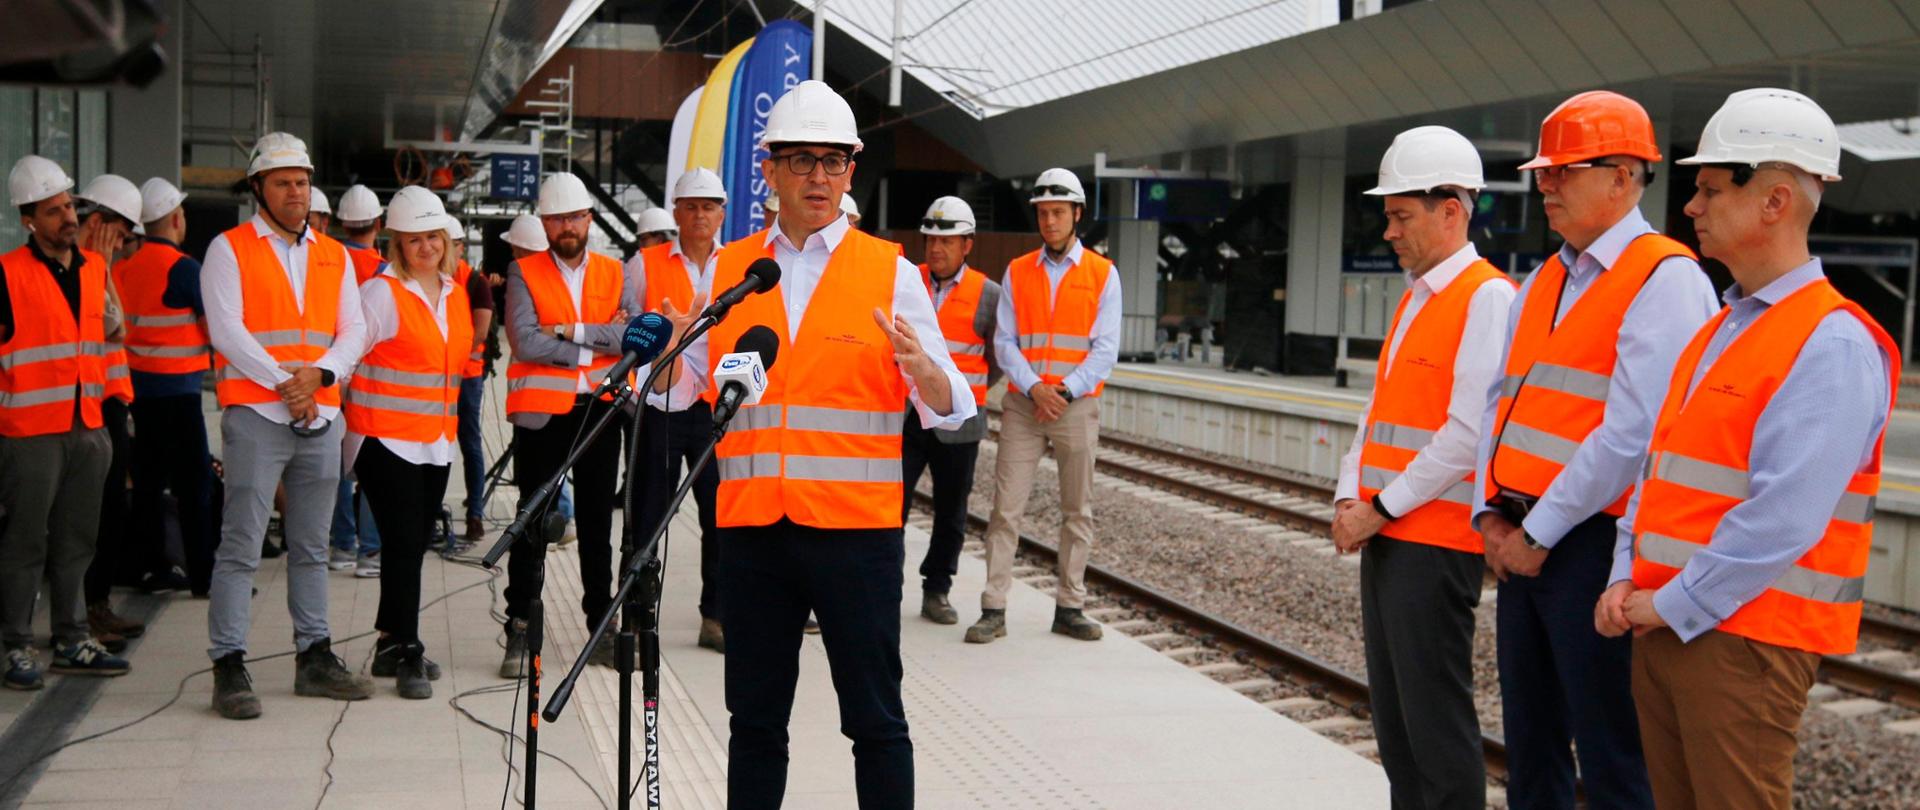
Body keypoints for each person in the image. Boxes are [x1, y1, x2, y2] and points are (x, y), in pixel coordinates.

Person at [651, 79, 973, 808]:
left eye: (833, 161)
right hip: (752, 533)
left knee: (875, 723)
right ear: (770, 170)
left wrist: (924, 369)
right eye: (801, 160)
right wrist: (670, 355)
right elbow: (676, 394)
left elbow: (954, 408)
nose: (818, 177)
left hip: (856, 537)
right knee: (754, 725)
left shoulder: (890, 273)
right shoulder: (731, 272)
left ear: (851, 170)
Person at [1599, 89, 1895, 810]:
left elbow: (1784, 517)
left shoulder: (1832, 342)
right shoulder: (1722, 328)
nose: (1690, 206)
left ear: (1775, 201)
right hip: (1669, 625)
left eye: (1709, 189)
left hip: (1743, 641)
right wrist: (1623, 576)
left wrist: (1668, 602)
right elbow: (1657, 472)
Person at [1473, 91, 1717, 808]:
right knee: (1532, 746)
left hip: (1595, 548)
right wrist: (1489, 516)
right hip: (1523, 538)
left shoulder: (1665, 278)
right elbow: (1500, 403)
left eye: (1562, 171)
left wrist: (1536, 535)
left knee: (1614, 756)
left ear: (1622, 177)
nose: (1545, 186)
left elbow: (1631, 435)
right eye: (1543, 172)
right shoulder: (1545, 279)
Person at [1331, 126, 1515, 810]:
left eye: (1401, 216)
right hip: (1391, 532)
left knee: (1434, 725)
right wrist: (1349, 496)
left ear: (1452, 211)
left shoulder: (1487, 298)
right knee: (1398, 726)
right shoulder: (1417, 297)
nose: (1389, 232)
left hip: (1434, 543)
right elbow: (1378, 409)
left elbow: (1466, 434)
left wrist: (1377, 508)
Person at [202, 132, 374, 720]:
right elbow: (227, 331)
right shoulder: (229, 249)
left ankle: (314, 656)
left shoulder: (333, 254)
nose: (295, 192)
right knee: (241, 544)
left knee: (311, 545)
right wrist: (288, 383)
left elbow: (353, 329)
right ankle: (228, 664)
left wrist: (320, 376)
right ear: (258, 189)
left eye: (301, 181)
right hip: (258, 414)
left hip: (319, 414)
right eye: (282, 183)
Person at [967, 167, 1119, 644]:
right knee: (1005, 509)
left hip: (1074, 407)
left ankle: (1070, 607)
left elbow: (1105, 349)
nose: (1049, 221)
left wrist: (1064, 392)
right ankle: (993, 608)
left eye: (1058, 212)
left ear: (1077, 214)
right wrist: (1036, 389)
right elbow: (1005, 342)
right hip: (1024, 404)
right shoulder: (1018, 271)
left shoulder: (1102, 273)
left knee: (1078, 511)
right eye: (1043, 213)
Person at [1, 155, 133, 690]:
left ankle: (72, 638)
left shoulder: (93, 268)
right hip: (29, 432)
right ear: (28, 220)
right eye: (53, 211)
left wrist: (108, 269)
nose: (68, 218)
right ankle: (15, 644)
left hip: (87, 425)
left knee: (77, 540)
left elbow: (115, 332)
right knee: (25, 542)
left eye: (68, 206)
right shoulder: (7, 274)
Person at [500, 171, 639, 676]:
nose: (567, 226)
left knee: (598, 525)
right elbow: (524, 340)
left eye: (575, 217)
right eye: (557, 218)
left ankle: (601, 626)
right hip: (543, 415)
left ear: (589, 219)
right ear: (544, 223)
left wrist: (565, 331)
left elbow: (633, 336)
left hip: (601, 409)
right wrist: (594, 344)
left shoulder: (616, 271)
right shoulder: (524, 271)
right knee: (532, 520)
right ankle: (519, 626)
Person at [346, 186, 471, 700]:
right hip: (383, 438)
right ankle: (409, 648)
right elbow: (347, 353)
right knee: (401, 544)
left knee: (413, 543)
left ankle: (388, 642)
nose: (426, 247)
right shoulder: (382, 293)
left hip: (434, 440)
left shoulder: (455, 293)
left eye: (433, 237)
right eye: (414, 239)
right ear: (396, 243)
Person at [628, 168, 726, 652]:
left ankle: (716, 617)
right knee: (647, 517)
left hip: (716, 410)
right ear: (676, 212)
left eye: (709, 207)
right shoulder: (643, 265)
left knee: (721, 519)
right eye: (691, 207)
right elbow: (627, 331)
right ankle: (637, 617)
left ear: (721, 213)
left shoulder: (736, 265)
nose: (700, 215)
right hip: (662, 406)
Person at [902, 195, 1000, 625]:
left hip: (961, 421)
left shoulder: (989, 294)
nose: (936, 248)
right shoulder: (907, 281)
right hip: (907, 417)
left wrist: (965, 390)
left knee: (951, 511)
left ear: (967, 245)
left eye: (946, 241)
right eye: (930, 240)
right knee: (890, 504)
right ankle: (885, 583)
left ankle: (936, 589)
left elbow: (997, 356)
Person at [119, 177, 216, 598]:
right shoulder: (185, 268)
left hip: (138, 396)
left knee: (147, 486)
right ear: (177, 219)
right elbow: (214, 329)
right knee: (195, 487)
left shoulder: (122, 269)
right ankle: (203, 576)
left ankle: (154, 568)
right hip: (181, 396)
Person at [72, 174, 149, 652]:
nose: (121, 245)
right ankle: (83, 614)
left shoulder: (96, 268)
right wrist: (98, 266)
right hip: (86, 405)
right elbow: (113, 327)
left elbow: (119, 328)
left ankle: (96, 604)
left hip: (110, 401)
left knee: (111, 511)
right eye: (118, 234)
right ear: (99, 223)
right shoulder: (78, 268)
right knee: (88, 516)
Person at [328, 183, 384, 575]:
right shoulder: (384, 272)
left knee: (336, 466)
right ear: (378, 224)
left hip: (330, 375)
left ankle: (341, 546)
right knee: (370, 466)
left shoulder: (328, 261)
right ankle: (370, 551)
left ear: (342, 224)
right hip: (370, 378)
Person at [444, 220, 493, 548]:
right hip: (437, 378)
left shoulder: (475, 282)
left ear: (461, 247)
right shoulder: (430, 280)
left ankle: (475, 513)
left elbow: (480, 332)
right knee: (437, 445)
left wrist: (448, 356)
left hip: (467, 378)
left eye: (451, 244)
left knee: (469, 443)